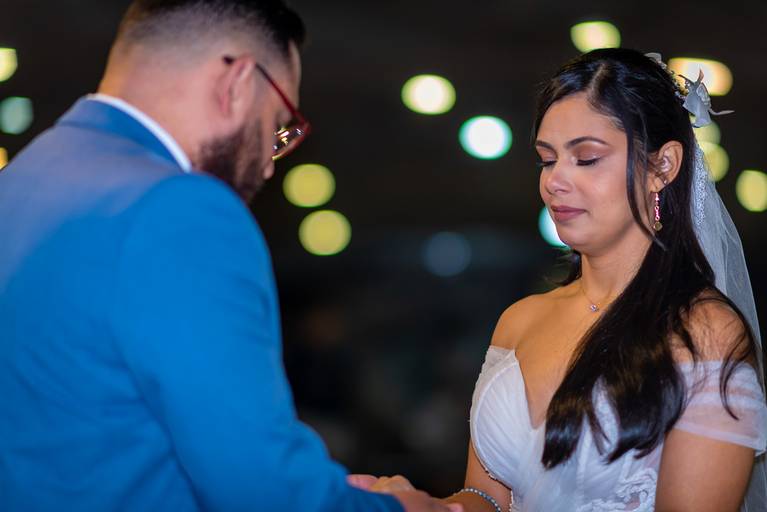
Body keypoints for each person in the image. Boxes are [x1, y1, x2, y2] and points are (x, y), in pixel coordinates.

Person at [0, 1, 460, 511]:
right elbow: (260, 488)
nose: (269, 164)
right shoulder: (182, 208)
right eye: (278, 123)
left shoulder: (20, 181)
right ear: (237, 82)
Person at [441, 48, 767, 511]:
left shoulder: (704, 332)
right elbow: (485, 497)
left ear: (662, 166)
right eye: (547, 160)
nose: (554, 181)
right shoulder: (519, 321)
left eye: (587, 158)